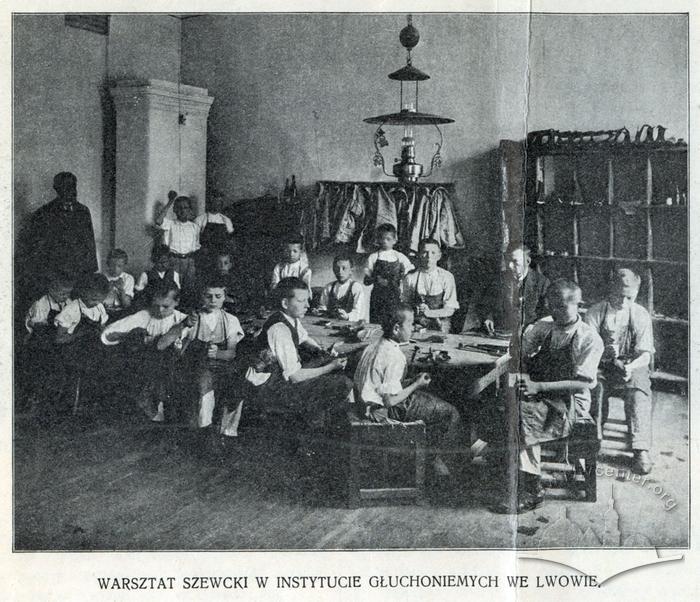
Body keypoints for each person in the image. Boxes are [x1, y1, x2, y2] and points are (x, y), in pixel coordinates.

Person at [493, 279, 604, 514]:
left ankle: (532, 489)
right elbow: (520, 356)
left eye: (562, 307)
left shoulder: (589, 338)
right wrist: (520, 375)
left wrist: (538, 386)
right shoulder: (544, 326)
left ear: (578, 304)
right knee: (499, 405)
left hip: (570, 402)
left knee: (522, 415)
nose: (556, 312)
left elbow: (583, 382)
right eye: (552, 306)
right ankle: (510, 471)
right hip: (539, 391)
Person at [353, 303, 462, 477]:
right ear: (397, 328)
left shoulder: (374, 344)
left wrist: (411, 381)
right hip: (382, 411)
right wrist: (416, 385)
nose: (414, 328)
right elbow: (389, 401)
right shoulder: (394, 355)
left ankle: (426, 459)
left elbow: (382, 384)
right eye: (410, 324)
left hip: (365, 404)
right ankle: (438, 471)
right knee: (450, 413)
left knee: (429, 400)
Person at [245, 277, 352, 428]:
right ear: (285, 303)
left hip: (279, 377)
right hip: (269, 387)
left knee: (325, 359)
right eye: (302, 301)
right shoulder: (279, 329)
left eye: (307, 300)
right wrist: (331, 366)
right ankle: (313, 424)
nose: (307, 305)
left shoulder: (291, 317)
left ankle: (319, 417)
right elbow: (295, 376)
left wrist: (321, 351)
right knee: (343, 383)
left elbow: (304, 337)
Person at [584, 268, 655, 475]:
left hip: (631, 367)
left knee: (639, 391)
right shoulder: (595, 313)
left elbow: (646, 354)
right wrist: (604, 353)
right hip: (601, 366)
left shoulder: (640, 315)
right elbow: (585, 351)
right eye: (619, 296)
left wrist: (629, 367)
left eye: (629, 297)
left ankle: (640, 448)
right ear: (610, 290)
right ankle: (592, 440)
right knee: (594, 388)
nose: (624, 302)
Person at [158, 276, 245, 437]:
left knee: (238, 384)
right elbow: (162, 344)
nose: (213, 300)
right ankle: (203, 430)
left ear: (224, 297)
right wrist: (184, 325)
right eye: (208, 296)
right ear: (201, 296)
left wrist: (219, 353)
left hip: (221, 365)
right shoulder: (193, 318)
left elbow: (231, 353)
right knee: (203, 382)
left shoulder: (230, 320)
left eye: (218, 296)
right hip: (195, 365)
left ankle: (227, 430)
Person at [101, 281, 187, 422]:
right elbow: (108, 333)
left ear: (176, 302)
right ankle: (151, 411)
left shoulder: (182, 319)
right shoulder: (144, 315)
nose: (159, 311)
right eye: (156, 305)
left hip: (173, 367)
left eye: (165, 306)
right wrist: (129, 335)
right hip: (145, 366)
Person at [17, 172, 98, 301]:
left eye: (73, 186)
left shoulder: (83, 211)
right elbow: (38, 249)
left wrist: (91, 271)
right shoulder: (44, 213)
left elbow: (89, 243)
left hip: (78, 272)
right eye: (66, 187)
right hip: (56, 274)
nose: (71, 191)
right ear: (57, 189)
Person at [20, 273, 74, 409]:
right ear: (51, 290)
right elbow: (38, 326)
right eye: (62, 294)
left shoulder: (67, 302)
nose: (65, 297)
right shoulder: (41, 304)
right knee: (42, 363)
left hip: (56, 337)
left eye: (68, 294)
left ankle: (58, 394)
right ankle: (35, 395)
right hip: (39, 337)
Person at [481, 241, 550, 335]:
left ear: (528, 261)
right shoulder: (498, 280)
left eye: (515, 261)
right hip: (501, 333)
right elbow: (486, 304)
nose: (509, 266)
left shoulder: (542, 282)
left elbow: (547, 313)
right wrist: (488, 318)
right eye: (507, 260)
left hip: (530, 335)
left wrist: (536, 325)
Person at [400, 238, 459, 334]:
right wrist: (415, 309)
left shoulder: (447, 277)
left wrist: (430, 313)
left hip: (441, 326)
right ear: (419, 254)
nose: (429, 257)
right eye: (425, 252)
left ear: (439, 256)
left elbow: (450, 309)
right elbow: (404, 305)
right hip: (416, 325)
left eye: (433, 253)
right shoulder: (410, 277)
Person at [364, 223, 414, 326]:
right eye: (382, 238)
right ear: (377, 240)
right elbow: (366, 280)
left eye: (388, 239)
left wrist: (401, 279)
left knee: (393, 322)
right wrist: (376, 278)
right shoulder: (373, 257)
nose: (384, 241)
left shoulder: (399, 257)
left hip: (395, 296)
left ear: (395, 240)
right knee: (376, 323)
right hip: (378, 296)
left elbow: (410, 272)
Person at [155, 194, 200, 291]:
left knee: (189, 288)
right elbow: (158, 221)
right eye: (179, 208)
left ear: (189, 210)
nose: (182, 211)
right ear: (174, 210)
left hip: (189, 260)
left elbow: (196, 246)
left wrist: (191, 261)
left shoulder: (194, 227)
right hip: (173, 259)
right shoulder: (170, 224)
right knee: (174, 287)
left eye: (185, 208)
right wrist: (171, 201)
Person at [317, 252, 365, 321]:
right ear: (333, 269)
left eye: (344, 268)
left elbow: (359, 312)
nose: (340, 272)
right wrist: (320, 311)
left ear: (351, 270)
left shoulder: (356, 287)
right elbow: (323, 305)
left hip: (349, 324)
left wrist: (347, 316)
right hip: (329, 322)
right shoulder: (329, 287)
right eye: (337, 268)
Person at [134, 244, 181, 309]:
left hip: (168, 307)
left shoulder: (174, 274)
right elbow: (138, 294)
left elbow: (177, 294)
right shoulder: (146, 275)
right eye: (159, 262)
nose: (163, 265)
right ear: (154, 261)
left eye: (165, 262)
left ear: (169, 260)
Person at [195, 189, 234, 256]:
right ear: (210, 202)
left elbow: (230, 238)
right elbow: (194, 239)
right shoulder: (200, 219)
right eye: (215, 202)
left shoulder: (226, 220)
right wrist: (201, 248)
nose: (217, 204)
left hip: (221, 255)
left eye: (219, 202)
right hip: (205, 254)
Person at [102, 248, 135, 318]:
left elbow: (127, 305)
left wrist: (121, 290)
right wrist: (107, 290)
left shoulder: (128, 278)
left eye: (119, 266)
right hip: (103, 310)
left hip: (121, 310)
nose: (115, 269)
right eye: (112, 265)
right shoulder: (101, 277)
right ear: (107, 264)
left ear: (124, 266)